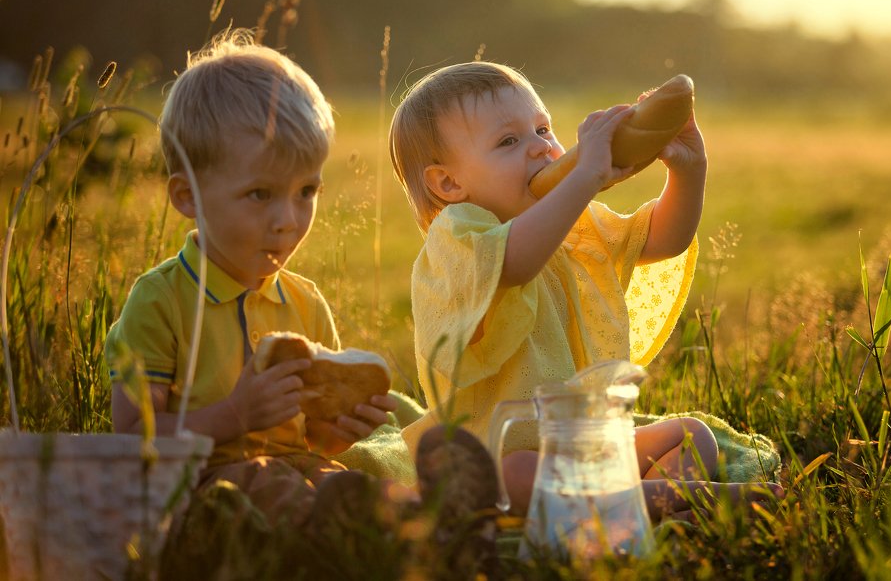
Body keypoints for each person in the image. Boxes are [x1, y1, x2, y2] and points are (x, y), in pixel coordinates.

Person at [388, 61, 783, 520]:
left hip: (580, 441)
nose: (540, 149)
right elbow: (514, 263)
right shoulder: (459, 237)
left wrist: (689, 171)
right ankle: (660, 504)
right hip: (494, 449)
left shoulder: (570, 221)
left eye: (542, 129)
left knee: (692, 435)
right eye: (509, 142)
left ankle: (635, 506)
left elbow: (661, 239)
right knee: (516, 473)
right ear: (449, 183)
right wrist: (583, 180)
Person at [105, 29, 436, 529]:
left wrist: (339, 430)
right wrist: (234, 416)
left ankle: (430, 521)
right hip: (196, 486)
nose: (288, 219)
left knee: (347, 482)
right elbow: (131, 440)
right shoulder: (161, 301)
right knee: (280, 490)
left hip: (294, 471)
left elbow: (311, 443)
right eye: (260, 194)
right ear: (187, 197)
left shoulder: (304, 302)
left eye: (306, 191)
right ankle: (363, 536)